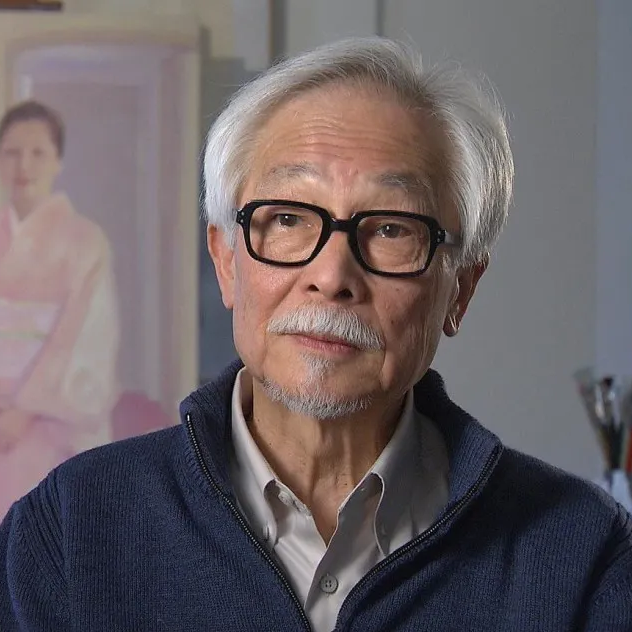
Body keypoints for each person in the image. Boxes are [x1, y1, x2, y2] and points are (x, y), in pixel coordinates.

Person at [1, 37, 631, 631]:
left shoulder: (582, 554)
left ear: (460, 287)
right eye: (287, 219)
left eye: (390, 229)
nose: (331, 276)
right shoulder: (69, 533)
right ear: (225, 262)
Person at [0, 100, 120, 519]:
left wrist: (22, 412)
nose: (23, 166)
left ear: (59, 162)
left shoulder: (85, 241)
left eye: (38, 153)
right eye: (12, 152)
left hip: (48, 424)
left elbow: (85, 336)